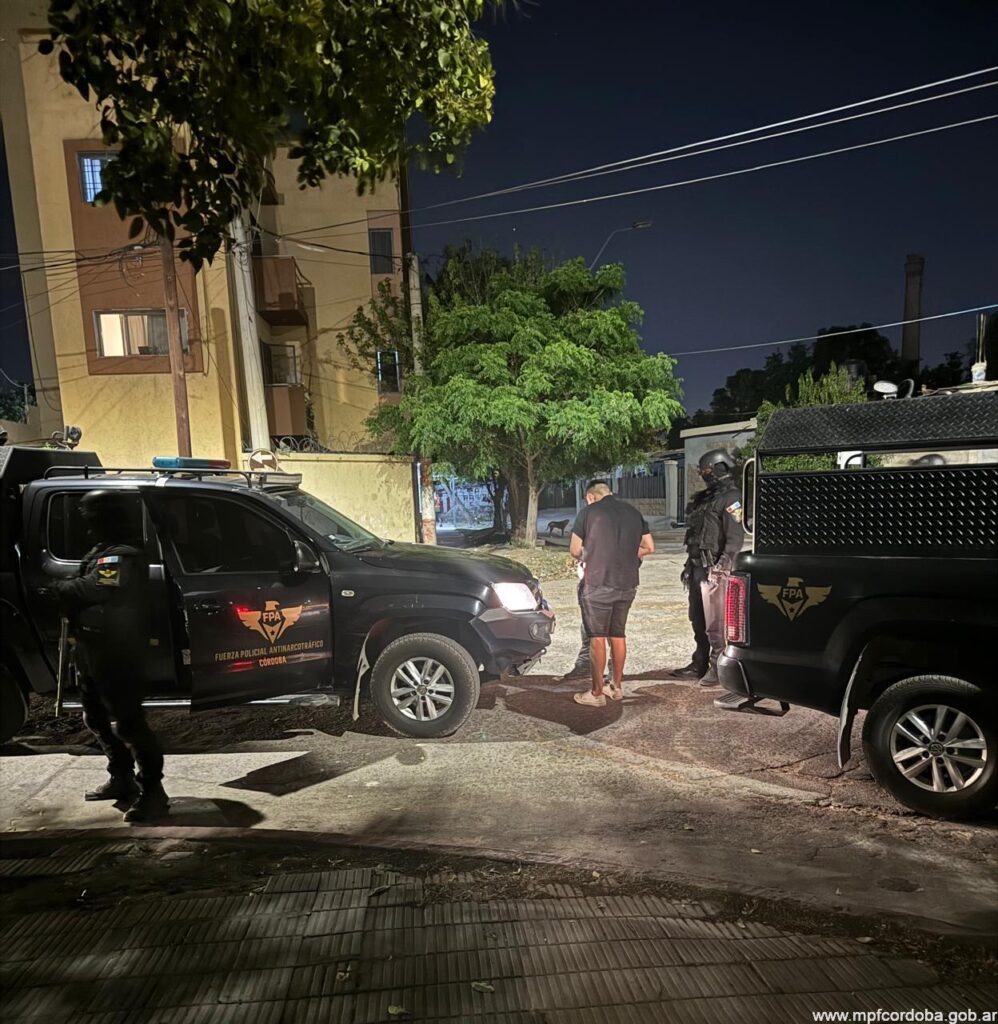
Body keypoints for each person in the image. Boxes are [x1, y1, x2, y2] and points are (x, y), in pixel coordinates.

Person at [45, 489, 169, 822]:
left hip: (118, 651)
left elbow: (98, 588)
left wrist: (61, 590)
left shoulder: (122, 556)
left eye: (92, 520)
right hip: (93, 648)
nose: (88, 529)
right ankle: (122, 778)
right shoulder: (103, 551)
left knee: (129, 723)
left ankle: (153, 792)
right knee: (95, 717)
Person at [569, 481, 654, 707]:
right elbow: (649, 546)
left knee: (597, 636)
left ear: (590, 497)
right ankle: (616, 687)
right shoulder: (633, 512)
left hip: (598, 583)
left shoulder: (588, 513)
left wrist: (593, 554)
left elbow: (575, 550)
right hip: (627, 583)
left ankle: (596, 693)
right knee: (618, 633)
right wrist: (624, 554)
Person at [672, 449, 745, 688]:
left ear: (717, 468)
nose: (704, 475)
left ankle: (718, 666)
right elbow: (695, 535)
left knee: (716, 622)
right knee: (697, 618)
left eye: (706, 470)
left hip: (715, 568)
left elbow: (734, 539)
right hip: (697, 567)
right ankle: (700, 661)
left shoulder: (732, 497)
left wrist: (722, 568)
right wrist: (688, 565)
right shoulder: (706, 498)